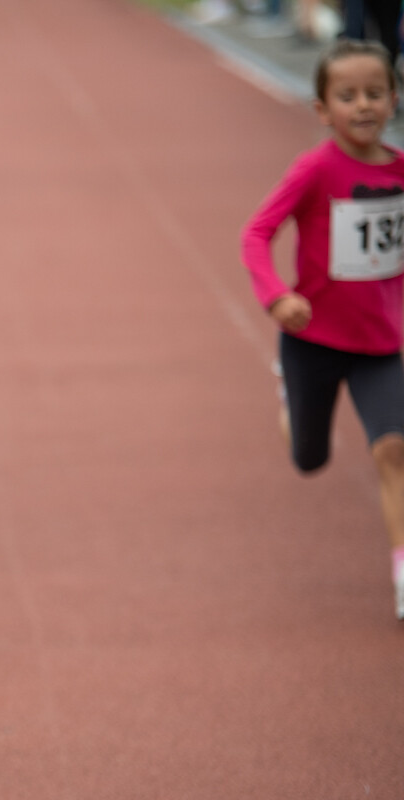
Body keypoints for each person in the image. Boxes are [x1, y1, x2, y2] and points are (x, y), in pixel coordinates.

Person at [241, 38, 404, 620]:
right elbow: (256, 234)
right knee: (309, 459)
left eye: (375, 93)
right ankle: (291, 395)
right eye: (348, 95)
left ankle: (402, 567)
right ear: (321, 109)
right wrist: (277, 296)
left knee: (394, 449)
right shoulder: (315, 168)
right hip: (312, 341)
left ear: (393, 98)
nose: (363, 105)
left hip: (382, 345)